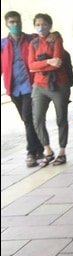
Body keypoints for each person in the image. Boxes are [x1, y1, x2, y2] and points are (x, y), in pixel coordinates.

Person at [1, 11, 44, 167]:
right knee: (28, 119)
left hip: (30, 86)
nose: (15, 25)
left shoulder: (31, 39)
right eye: (12, 22)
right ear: (6, 24)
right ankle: (40, 148)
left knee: (28, 118)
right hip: (14, 88)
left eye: (17, 21)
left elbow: (47, 40)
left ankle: (31, 152)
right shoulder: (3, 44)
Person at [28, 13, 71, 167]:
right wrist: (47, 61)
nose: (41, 27)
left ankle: (62, 151)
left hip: (59, 84)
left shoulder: (55, 39)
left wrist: (40, 64)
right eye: (38, 24)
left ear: (50, 25)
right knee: (37, 119)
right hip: (39, 86)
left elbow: (58, 62)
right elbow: (31, 65)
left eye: (44, 24)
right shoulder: (33, 43)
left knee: (61, 118)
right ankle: (47, 150)